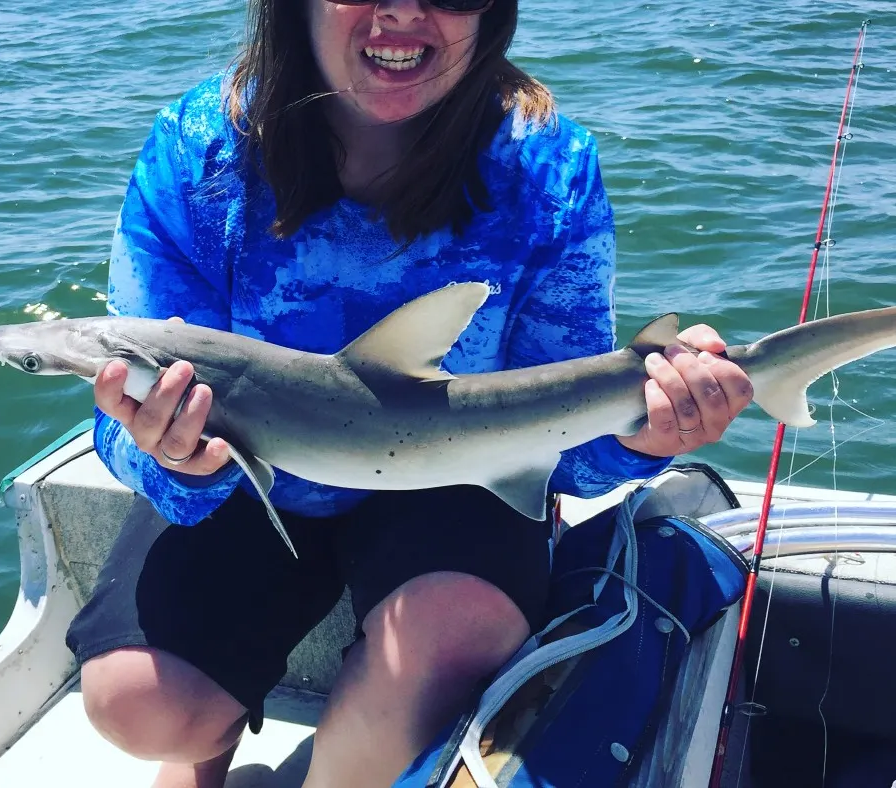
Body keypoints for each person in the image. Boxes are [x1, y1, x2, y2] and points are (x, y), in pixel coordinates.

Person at [64, 1, 755, 786]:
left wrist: (641, 436)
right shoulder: (198, 150)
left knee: (442, 648)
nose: (401, 8)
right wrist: (178, 459)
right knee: (139, 704)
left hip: (453, 472)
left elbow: (564, 453)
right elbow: (124, 420)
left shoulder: (543, 169)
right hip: (250, 468)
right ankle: (200, 754)